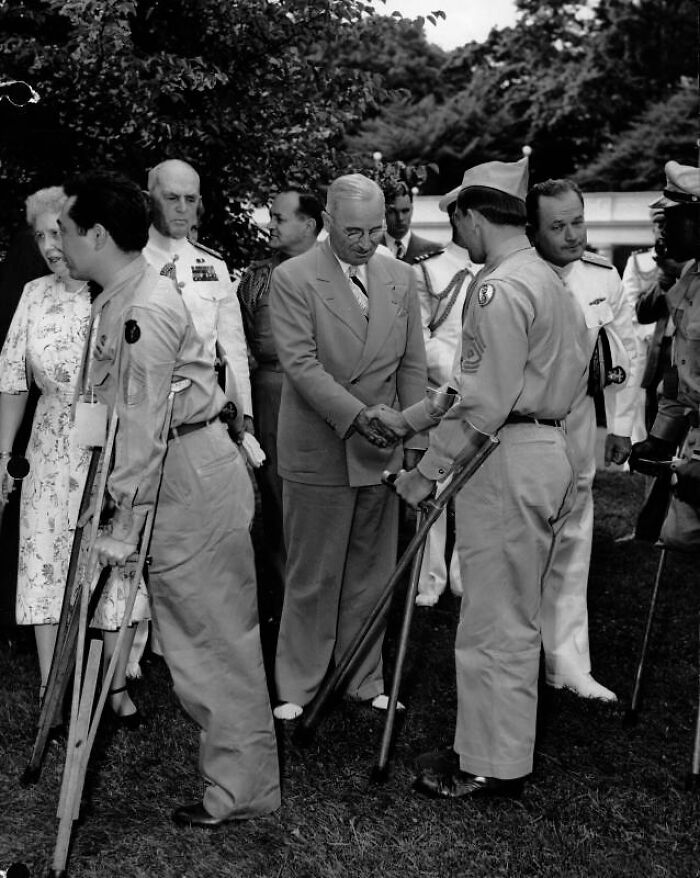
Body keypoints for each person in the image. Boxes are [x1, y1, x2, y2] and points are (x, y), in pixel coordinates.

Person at [57, 171, 280, 827]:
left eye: (67, 231)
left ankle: (242, 792)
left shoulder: (143, 308)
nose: (61, 243)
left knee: (212, 643)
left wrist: (118, 518)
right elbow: (104, 402)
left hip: (186, 475)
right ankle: (238, 784)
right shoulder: (116, 297)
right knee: (195, 639)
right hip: (172, 469)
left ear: (96, 235)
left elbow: (147, 422)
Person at [389, 156, 588, 798]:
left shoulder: (497, 287)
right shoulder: (548, 279)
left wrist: (426, 471)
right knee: (510, 613)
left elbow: (483, 401)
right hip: (542, 448)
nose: (457, 237)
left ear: (475, 216)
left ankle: (488, 764)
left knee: (494, 621)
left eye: (457, 222)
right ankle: (493, 749)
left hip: (506, 453)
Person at [269, 173, 427, 721]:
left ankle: (363, 676)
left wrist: (413, 441)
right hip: (321, 445)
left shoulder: (401, 277)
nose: (367, 242)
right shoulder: (292, 278)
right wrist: (358, 416)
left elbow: (412, 364)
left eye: (376, 230)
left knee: (372, 570)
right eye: (354, 231)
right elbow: (301, 365)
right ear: (328, 223)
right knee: (313, 574)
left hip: (383, 446)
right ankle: (299, 683)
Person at [0, 186, 149, 726]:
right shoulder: (34, 295)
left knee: (113, 561)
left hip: (112, 443)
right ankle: (52, 688)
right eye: (38, 235)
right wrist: (4, 453)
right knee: (45, 560)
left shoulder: (116, 289)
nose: (48, 245)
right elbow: (13, 378)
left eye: (56, 231)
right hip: (49, 444)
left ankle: (113, 687)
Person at [526, 178, 640, 702]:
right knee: (520, 546)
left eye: (578, 222)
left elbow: (626, 354)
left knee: (574, 539)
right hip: (521, 429)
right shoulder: (514, 275)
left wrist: (619, 427)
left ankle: (568, 663)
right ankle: (517, 658)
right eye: (558, 226)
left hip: (576, 423)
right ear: (533, 228)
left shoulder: (603, 277)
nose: (572, 235)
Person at [237, 190, 323, 607]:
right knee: (276, 495)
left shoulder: (339, 274)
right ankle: (287, 595)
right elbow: (239, 342)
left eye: (279, 218)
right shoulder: (255, 278)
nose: (269, 224)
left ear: (309, 224)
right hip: (272, 396)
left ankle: (324, 591)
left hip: (325, 397)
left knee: (319, 496)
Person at [143, 158, 252, 422]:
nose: (182, 208)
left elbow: (234, 350)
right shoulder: (125, 259)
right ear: (148, 200)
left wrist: (244, 416)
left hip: (202, 415)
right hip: (141, 414)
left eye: (190, 200)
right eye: (171, 198)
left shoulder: (213, 265)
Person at [411, 194, 479, 607]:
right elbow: (421, 338)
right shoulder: (429, 270)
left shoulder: (502, 268)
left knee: (476, 487)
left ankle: (464, 572)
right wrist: (459, 379)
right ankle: (430, 576)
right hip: (440, 392)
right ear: (457, 216)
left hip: (486, 396)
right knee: (433, 484)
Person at [630, 162, 700, 533]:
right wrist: (660, 439)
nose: (664, 230)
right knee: (680, 536)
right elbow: (681, 370)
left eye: (671, 219)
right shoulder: (689, 277)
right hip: (689, 428)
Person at [382, 180, 441, 263]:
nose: (400, 218)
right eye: (393, 212)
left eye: (405, 211)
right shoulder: (370, 250)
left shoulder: (433, 250)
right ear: (383, 212)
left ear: (412, 210)